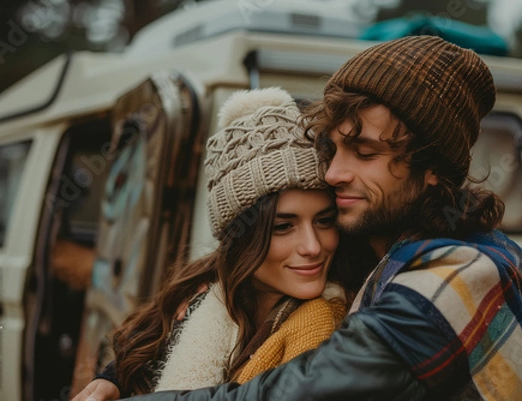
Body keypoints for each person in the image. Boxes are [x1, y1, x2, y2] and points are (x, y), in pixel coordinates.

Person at [117, 36, 522, 400]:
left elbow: (306, 389)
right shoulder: (376, 243)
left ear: (432, 171)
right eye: (334, 148)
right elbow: (224, 280)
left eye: (365, 153)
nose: (333, 172)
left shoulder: (465, 272)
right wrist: (116, 376)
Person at [71, 87, 374, 401]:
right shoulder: (200, 291)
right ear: (241, 236)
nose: (312, 247)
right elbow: (142, 352)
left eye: (324, 221)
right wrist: (113, 381)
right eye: (283, 227)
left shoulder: (320, 321)